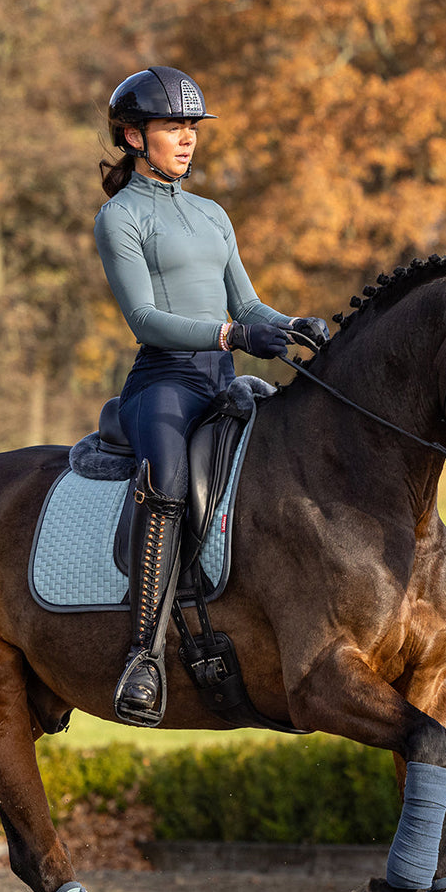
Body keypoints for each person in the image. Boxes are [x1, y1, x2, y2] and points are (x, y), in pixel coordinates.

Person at [95, 65, 328, 726]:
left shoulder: (212, 214)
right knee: (166, 478)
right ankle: (142, 655)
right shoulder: (120, 218)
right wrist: (234, 333)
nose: (188, 139)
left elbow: (249, 302)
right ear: (134, 136)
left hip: (223, 381)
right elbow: (144, 319)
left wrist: (293, 326)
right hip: (164, 384)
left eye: (192, 127)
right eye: (174, 126)